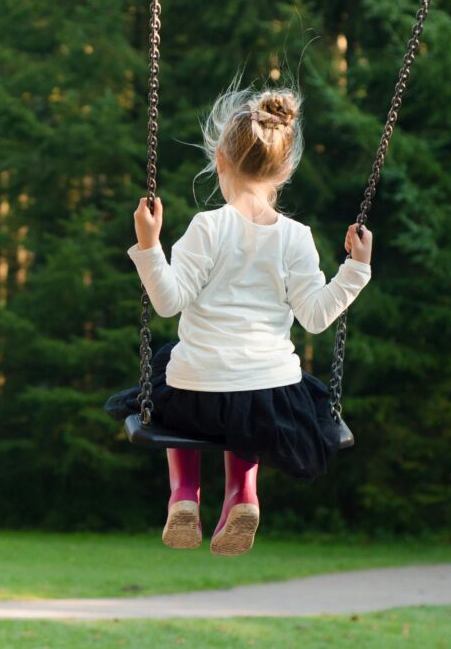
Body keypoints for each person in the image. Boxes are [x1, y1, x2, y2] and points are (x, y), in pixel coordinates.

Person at [105, 79, 373, 556]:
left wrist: (149, 245)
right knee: (249, 404)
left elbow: (167, 302)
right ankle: (243, 495)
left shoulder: (207, 227)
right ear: (285, 169)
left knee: (172, 370)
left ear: (220, 161)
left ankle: (184, 495)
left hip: (196, 395)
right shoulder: (296, 236)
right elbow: (315, 318)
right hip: (270, 398)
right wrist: (355, 269)